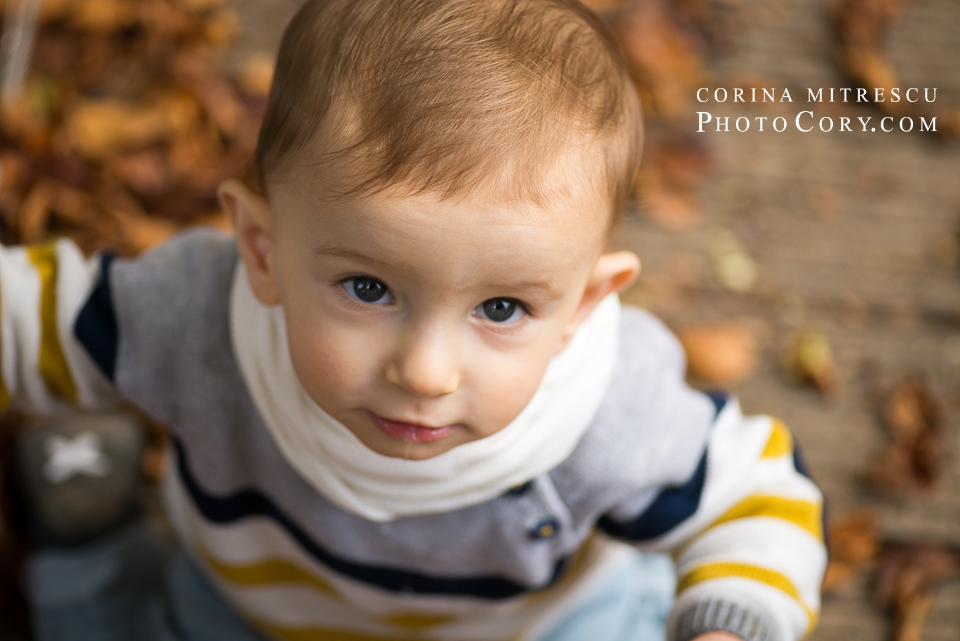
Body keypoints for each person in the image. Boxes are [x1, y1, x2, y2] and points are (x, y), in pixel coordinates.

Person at [1, 0, 826, 640]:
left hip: (527, 628)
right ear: (262, 249)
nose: (426, 371)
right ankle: (87, 523)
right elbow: (30, 315)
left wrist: (731, 617)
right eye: (367, 288)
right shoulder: (195, 321)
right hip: (253, 615)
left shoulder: (610, 410)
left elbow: (757, 500)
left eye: (502, 308)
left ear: (581, 305)